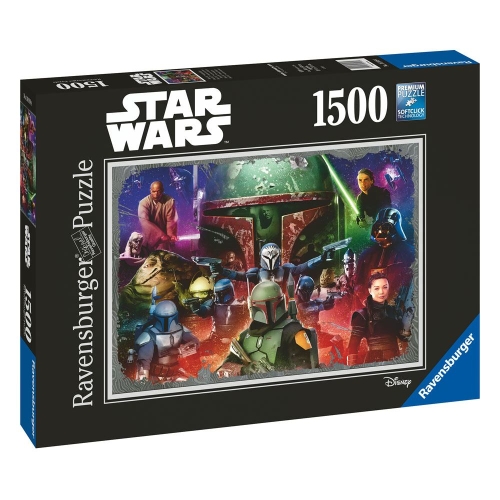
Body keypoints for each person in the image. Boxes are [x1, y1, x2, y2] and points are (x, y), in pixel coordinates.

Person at [216, 280, 319, 377]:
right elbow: (222, 371)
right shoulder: (243, 337)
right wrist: (245, 371)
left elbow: (303, 372)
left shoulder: (293, 333)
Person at [346, 273, 413, 366]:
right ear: (370, 290)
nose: (381, 292)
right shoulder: (362, 315)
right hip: (374, 363)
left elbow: (403, 337)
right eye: (377, 288)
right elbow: (353, 346)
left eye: (385, 287)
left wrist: (407, 324)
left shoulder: (393, 311)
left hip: (395, 360)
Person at [354, 207, 414, 304]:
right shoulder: (367, 255)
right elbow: (358, 283)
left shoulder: (409, 253)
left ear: (395, 227)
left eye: (386, 226)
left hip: (398, 305)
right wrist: (366, 300)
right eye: (379, 227)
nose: (381, 231)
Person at [138, 181, 178, 251]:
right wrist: (161, 235)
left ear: (162, 191)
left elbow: (170, 221)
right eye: (153, 192)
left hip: (164, 240)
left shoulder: (169, 201)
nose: (156, 195)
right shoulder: (143, 203)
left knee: (163, 254)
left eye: (158, 192)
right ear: (150, 191)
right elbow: (144, 222)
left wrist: (171, 236)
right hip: (149, 237)